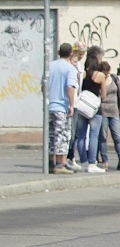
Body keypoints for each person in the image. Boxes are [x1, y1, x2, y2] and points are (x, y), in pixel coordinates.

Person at [47, 42, 79, 174]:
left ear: (59, 52)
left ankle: (50, 163)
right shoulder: (70, 68)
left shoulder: (50, 65)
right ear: (71, 53)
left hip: (50, 106)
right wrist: (71, 105)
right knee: (63, 135)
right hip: (62, 106)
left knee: (51, 135)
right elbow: (69, 87)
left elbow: (43, 85)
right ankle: (61, 164)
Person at [74, 47, 108, 173]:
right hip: (95, 109)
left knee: (81, 135)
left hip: (82, 107)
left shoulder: (82, 74)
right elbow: (103, 95)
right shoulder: (100, 75)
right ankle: (92, 163)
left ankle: (83, 162)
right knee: (93, 135)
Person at [64, 42, 87, 171]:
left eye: (83, 54)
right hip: (70, 103)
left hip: (77, 102)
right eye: (79, 54)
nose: (81, 56)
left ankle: (71, 157)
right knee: (70, 133)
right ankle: (67, 157)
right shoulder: (69, 66)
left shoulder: (80, 66)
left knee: (76, 133)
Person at [97, 60, 120, 169]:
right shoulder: (98, 79)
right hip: (103, 110)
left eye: (107, 73)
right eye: (104, 73)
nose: (106, 75)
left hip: (114, 110)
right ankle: (104, 161)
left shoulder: (114, 78)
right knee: (103, 136)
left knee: (117, 136)